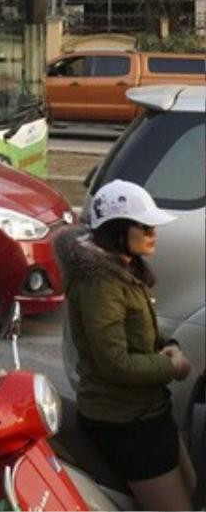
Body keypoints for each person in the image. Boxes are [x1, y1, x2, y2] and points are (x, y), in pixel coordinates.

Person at [56, 180, 195, 510]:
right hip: (124, 420)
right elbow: (115, 361)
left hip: (149, 409)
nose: (153, 234)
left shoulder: (123, 269)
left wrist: (169, 344)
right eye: (145, 227)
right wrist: (171, 365)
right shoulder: (100, 283)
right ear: (118, 230)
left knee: (189, 485)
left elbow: (140, 331)